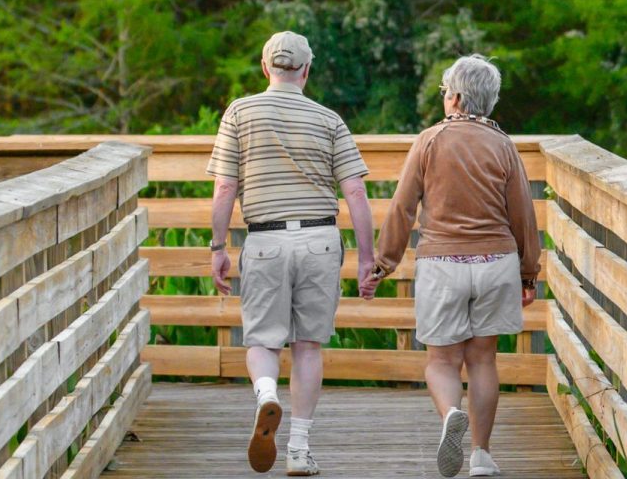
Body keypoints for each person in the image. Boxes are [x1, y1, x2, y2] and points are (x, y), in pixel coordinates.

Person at [207, 31, 377, 476]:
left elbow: (225, 187)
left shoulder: (239, 112)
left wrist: (218, 246)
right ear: (306, 70)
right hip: (320, 240)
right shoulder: (329, 119)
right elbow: (356, 191)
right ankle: (299, 450)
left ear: (265, 67)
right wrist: (367, 258)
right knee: (307, 346)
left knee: (263, 340)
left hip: (265, 240)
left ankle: (266, 394)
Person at [371, 54, 540, 477]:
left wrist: (383, 263)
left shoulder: (429, 140)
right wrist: (528, 272)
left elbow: (403, 206)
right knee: (483, 360)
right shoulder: (503, 145)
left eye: (446, 91)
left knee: (442, 361)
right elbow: (522, 213)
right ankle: (481, 455)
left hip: (442, 262)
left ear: (457, 97)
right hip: (495, 262)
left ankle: (450, 413)